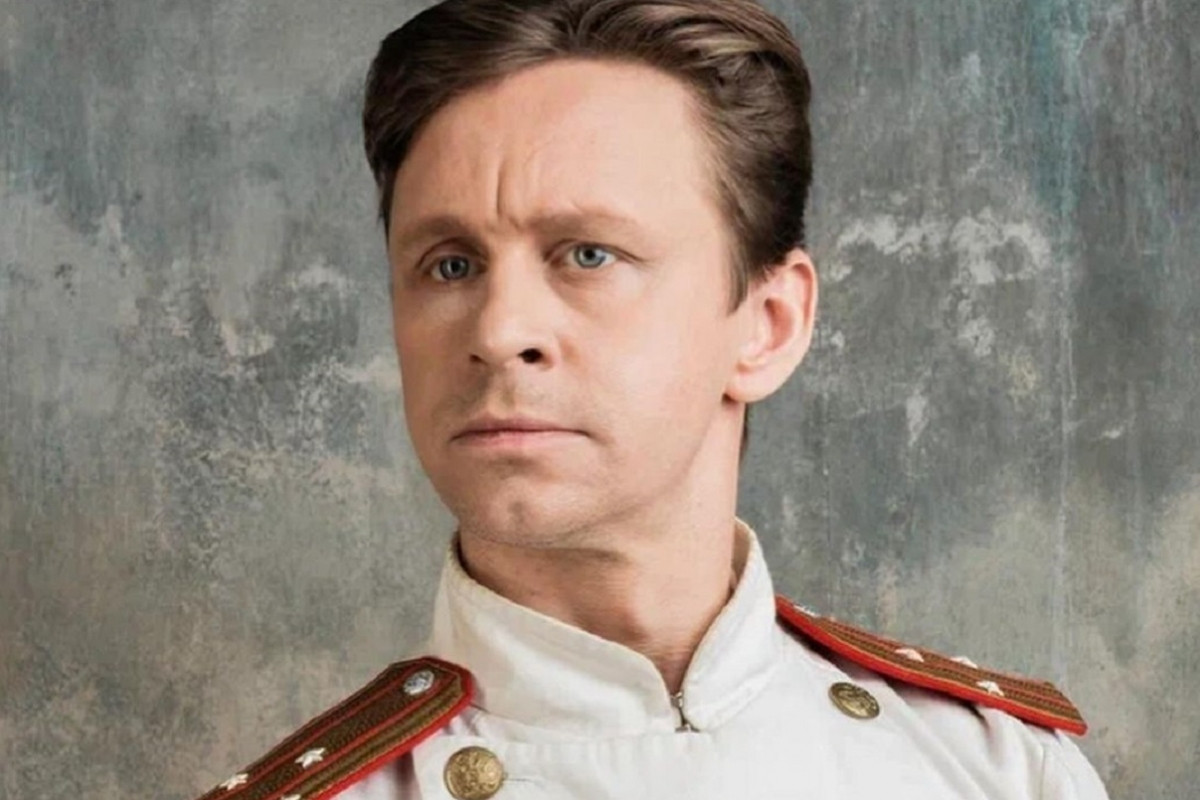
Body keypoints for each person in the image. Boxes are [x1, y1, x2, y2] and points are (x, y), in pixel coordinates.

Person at [194, 1, 1110, 798]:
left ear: (768, 325)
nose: (499, 328)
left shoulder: (1000, 774)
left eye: (588, 254)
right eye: (451, 265)